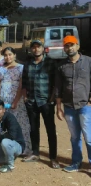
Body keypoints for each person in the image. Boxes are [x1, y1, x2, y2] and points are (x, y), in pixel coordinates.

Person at [55, 35, 91, 173]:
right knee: (75, 137)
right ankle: (76, 163)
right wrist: (58, 108)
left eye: (72, 45)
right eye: (66, 46)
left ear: (78, 46)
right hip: (69, 107)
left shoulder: (88, 62)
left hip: (85, 106)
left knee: (88, 137)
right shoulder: (62, 66)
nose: (69, 48)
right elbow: (58, 88)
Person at [22, 40, 59, 168]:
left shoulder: (50, 63)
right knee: (33, 128)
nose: (36, 49)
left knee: (50, 129)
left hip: (46, 102)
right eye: (34, 47)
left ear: (43, 49)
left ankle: (53, 158)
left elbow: (56, 83)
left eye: (39, 47)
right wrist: (25, 97)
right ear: (31, 50)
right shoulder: (28, 64)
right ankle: (35, 153)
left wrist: (52, 98)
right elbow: (25, 82)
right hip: (32, 102)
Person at [0, 47, 32, 156]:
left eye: (10, 54)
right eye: (5, 55)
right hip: (3, 98)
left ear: (15, 55)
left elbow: (21, 85)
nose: (8, 57)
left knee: (20, 122)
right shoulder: (0, 69)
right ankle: (4, 147)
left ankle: (23, 148)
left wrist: (15, 101)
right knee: (4, 122)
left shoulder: (21, 68)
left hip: (17, 99)